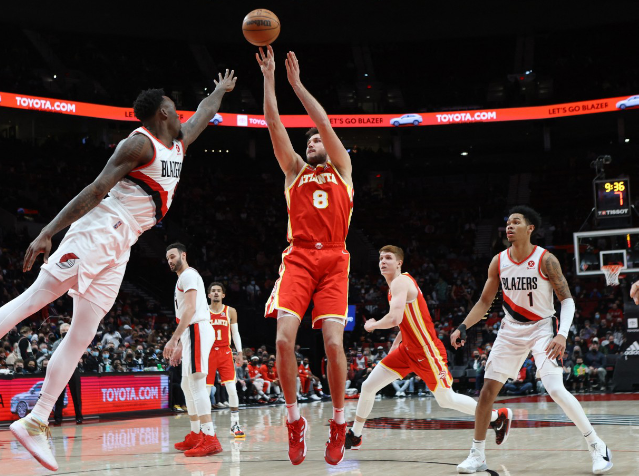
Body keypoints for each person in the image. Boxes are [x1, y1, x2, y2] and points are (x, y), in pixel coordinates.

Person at [0, 72, 237, 472]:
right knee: (35, 299)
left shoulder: (177, 140)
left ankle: (37, 419)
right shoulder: (139, 143)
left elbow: (204, 115)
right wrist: (47, 232)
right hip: (101, 228)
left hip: (124, 243)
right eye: (175, 108)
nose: (182, 114)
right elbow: (95, 189)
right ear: (163, 112)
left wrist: (220, 90)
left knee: (83, 333)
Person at [451, 206, 613, 474]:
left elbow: (568, 300)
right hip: (510, 329)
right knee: (486, 393)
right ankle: (477, 454)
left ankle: (597, 446)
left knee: (555, 389)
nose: (509, 226)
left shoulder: (546, 260)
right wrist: (463, 326)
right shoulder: (498, 261)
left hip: (541, 328)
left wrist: (562, 334)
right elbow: (484, 301)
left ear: (530, 228)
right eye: (508, 223)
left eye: (516, 222)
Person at [257, 45, 353, 465]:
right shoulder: (294, 172)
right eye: (310, 140)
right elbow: (273, 122)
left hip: (335, 260)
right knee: (282, 340)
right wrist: (271, 77)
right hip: (297, 258)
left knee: (333, 344)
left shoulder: (343, 170)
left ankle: (337, 421)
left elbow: (323, 121)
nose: (314, 140)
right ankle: (295, 422)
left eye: (318, 139)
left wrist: (298, 84)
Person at [345, 246, 510, 451]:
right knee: (368, 386)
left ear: (399, 263)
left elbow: (394, 318)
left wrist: (373, 325)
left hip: (426, 351)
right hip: (407, 350)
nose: (383, 261)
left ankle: (497, 417)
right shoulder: (396, 286)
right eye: (380, 258)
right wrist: (397, 341)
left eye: (388, 258)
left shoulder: (400, 282)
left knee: (446, 399)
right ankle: (356, 434)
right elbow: (406, 319)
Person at [166, 243, 221, 457]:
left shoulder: (188, 275)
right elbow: (186, 312)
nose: (170, 261)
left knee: (197, 383)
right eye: (167, 258)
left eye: (173, 256)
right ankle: (196, 434)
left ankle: (210, 438)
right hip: (192, 331)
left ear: (183, 255)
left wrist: (174, 339)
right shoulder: (183, 278)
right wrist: (181, 344)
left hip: (196, 328)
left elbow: (190, 309)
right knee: (187, 384)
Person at [206, 282, 246, 437]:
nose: (216, 293)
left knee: (231, 389)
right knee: (206, 391)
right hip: (208, 353)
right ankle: (207, 428)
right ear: (209, 295)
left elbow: (235, 333)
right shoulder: (203, 311)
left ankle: (235, 424)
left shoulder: (230, 311)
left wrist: (240, 352)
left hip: (225, 352)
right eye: (213, 291)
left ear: (223, 295)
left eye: (218, 291)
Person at [51, 323, 83, 425]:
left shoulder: (76, 342)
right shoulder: (56, 344)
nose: (65, 332)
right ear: (60, 332)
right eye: (63, 330)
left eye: (67, 330)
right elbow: (53, 356)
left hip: (73, 369)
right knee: (59, 395)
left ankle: (79, 417)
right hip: (61, 370)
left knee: (76, 395)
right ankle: (58, 418)